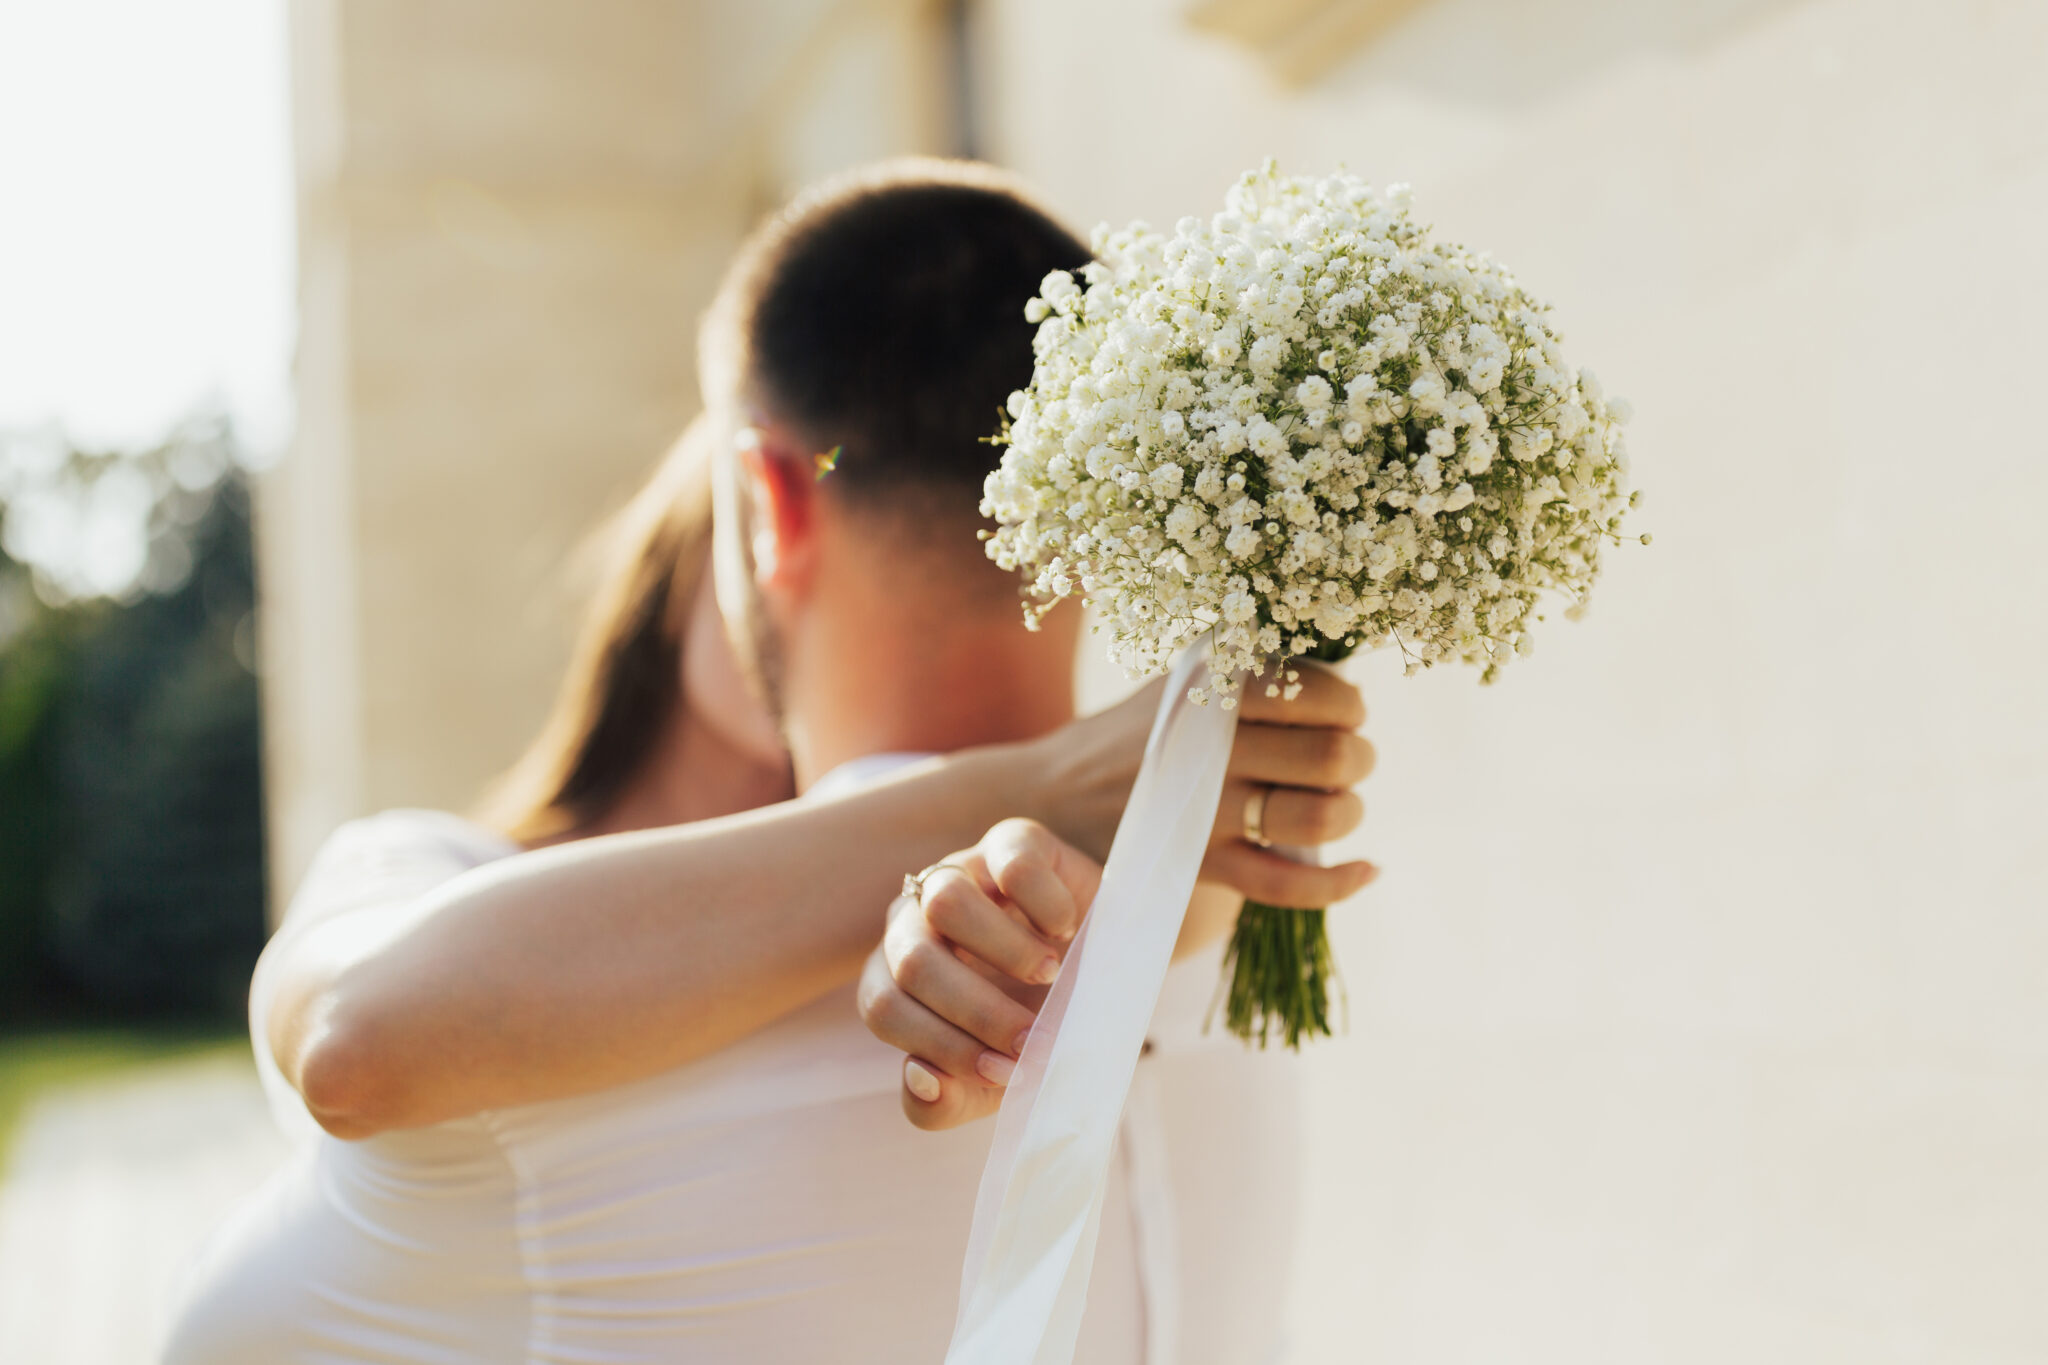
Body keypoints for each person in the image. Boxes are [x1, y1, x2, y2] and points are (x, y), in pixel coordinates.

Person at [162, 159, 1376, 1364]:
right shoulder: (1232, 929)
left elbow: (350, 1043)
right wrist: (1056, 786)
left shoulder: (540, 1041)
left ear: (764, 504)